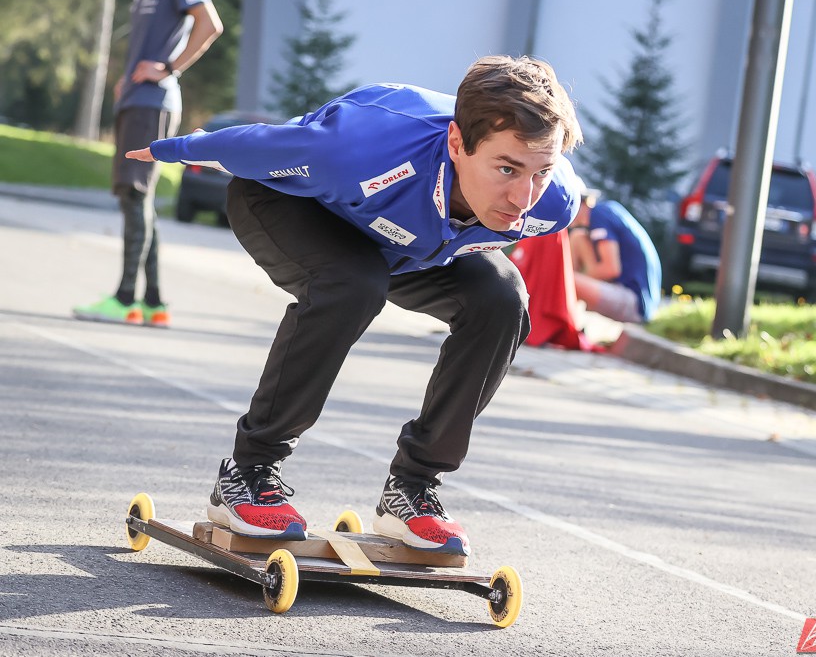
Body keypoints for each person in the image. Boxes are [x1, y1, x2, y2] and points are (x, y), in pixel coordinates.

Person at [125, 55, 584, 555]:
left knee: (502, 299)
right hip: (288, 204)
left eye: (541, 171)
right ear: (457, 143)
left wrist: (526, 179)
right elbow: (259, 144)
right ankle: (248, 473)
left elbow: (526, 201)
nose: (522, 197)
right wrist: (177, 147)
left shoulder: (553, 204)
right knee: (352, 284)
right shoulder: (362, 147)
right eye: (506, 168)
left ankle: (412, 489)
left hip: (404, 246)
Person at [74, 0, 223, 328]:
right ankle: (153, 302)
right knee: (139, 201)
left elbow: (210, 23)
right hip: (136, 100)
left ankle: (125, 299)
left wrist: (168, 69)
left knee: (134, 194)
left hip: (152, 104)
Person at [568, 183, 662, 323]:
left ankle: (560, 321)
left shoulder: (598, 214)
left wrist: (577, 279)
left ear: (578, 202)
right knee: (578, 237)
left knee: (561, 279)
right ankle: (569, 316)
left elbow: (610, 269)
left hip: (635, 303)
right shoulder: (603, 213)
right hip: (633, 296)